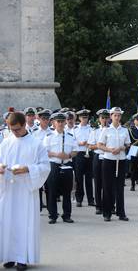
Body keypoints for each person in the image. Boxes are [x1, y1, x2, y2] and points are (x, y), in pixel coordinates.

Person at [0, 112, 50, 270]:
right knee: (7, 222)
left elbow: (45, 167)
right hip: (8, 189)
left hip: (26, 191)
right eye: (11, 129)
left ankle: (22, 257)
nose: (14, 132)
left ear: (24, 125)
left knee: (23, 223)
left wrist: (28, 169)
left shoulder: (36, 144)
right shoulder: (6, 142)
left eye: (17, 129)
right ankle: (8, 256)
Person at [43, 112, 78, 224]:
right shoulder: (49, 137)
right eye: (58, 121)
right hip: (54, 165)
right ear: (53, 122)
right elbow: (44, 152)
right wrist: (56, 154)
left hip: (67, 165)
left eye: (63, 121)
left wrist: (68, 156)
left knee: (67, 192)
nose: (61, 123)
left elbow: (75, 151)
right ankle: (53, 215)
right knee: (52, 191)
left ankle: (67, 215)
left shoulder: (70, 136)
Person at [98, 107, 131, 222]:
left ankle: (121, 213)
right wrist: (109, 149)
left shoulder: (124, 130)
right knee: (107, 187)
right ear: (111, 116)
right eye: (115, 115)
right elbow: (99, 145)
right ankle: (107, 213)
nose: (117, 117)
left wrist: (122, 147)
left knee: (120, 187)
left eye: (119, 115)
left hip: (121, 160)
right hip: (108, 160)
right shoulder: (106, 130)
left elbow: (128, 144)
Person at [87, 109, 110, 215]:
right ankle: (98, 206)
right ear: (99, 119)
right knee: (98, 182)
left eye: (106, 117)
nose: (104, 120)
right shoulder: (94, 131)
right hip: (98, 156)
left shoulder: (111, 130)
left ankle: (108, 205)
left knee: (108, 183)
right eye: (102, 118)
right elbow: (90, 146)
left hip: (108, 157)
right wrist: (100, 145)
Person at [32, 109, 53, 211]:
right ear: (39, 119)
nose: (45, 120)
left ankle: (50, 207)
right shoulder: (34, 133)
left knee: (49, 186)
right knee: (38, 186)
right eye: (43, 118)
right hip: (38, 162)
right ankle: (39, 206)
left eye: (47, 118)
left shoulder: (53, 132)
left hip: (49, 161)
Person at [73, 109, 94, 207]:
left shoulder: (91, 129)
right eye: (82, 117)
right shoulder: (75, 129)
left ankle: (91, 199)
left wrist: (89, 143)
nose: (84, 119)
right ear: (79, 118)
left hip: (89, 153)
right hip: (79, 153)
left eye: (86, 117)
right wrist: (80, 143)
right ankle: (79, 199)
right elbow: (72, 141)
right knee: (79, 178)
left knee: (89, 178)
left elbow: (94, 140)